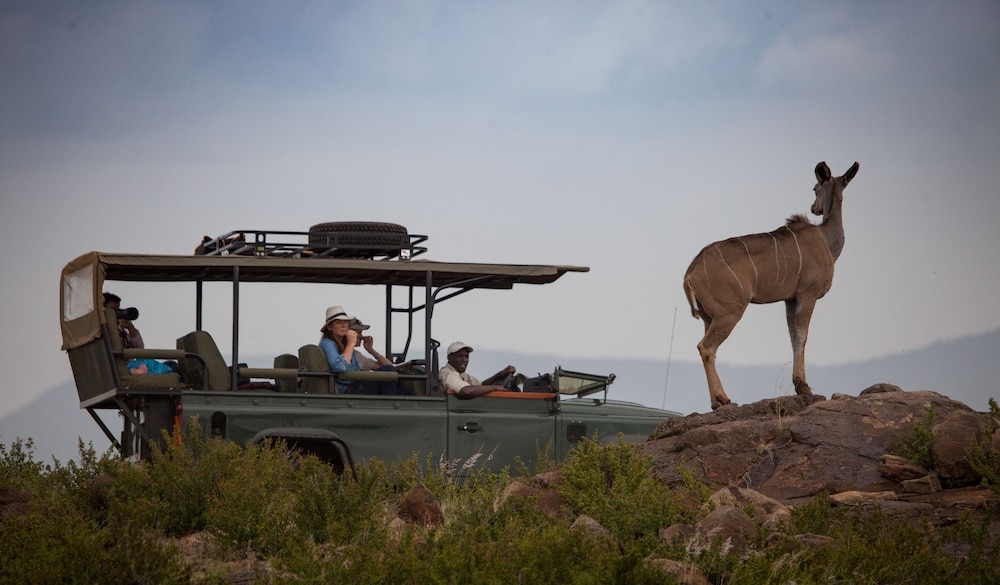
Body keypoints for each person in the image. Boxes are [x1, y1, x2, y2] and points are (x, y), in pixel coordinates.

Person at [318, 305, 404, 395]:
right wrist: (351, 344)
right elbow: (340, 367)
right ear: (329, 327)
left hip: (355, 387)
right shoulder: (327, 343)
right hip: (346, 390)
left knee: (399, 388)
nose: (343, 325)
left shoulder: (352, 352)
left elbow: (389, 369)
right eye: (338, 322)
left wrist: (371, 350)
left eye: (346, 322)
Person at [103, 292, 177, 375]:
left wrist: (131, 329)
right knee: (169, 369)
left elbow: (139, 350)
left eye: (118, 309)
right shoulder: (102, 332)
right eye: (113, 310)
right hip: (120, 368)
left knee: (172, 364)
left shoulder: (121, 330)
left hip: (131, 364)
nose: (117, 313)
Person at [439, 341, 516, 399]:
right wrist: (495, 388)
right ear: (449, 357)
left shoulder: (461, 374)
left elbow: (482, 385)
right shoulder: (448, 374)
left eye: (466, 356)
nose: (464, 360)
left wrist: (501, 374)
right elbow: (466, 391)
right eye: (460, 356)